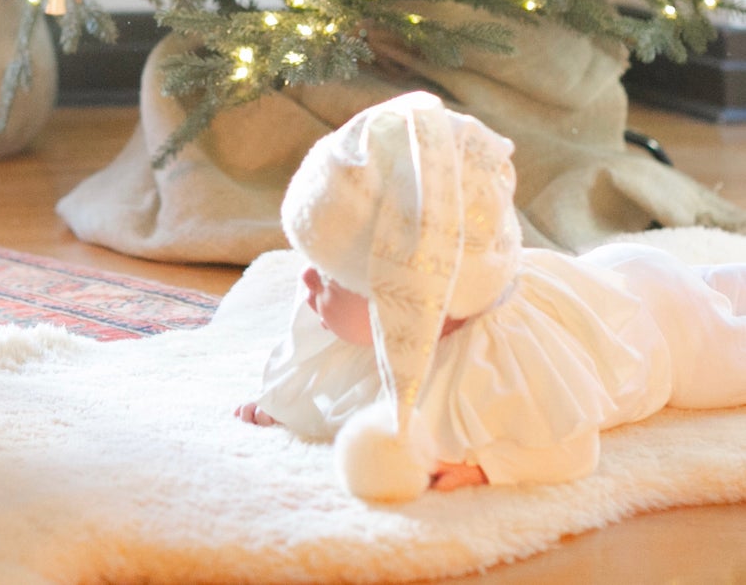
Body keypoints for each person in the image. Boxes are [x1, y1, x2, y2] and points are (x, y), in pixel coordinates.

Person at [234, 92, 746, 501]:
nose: (306, 284)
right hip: (618, 276)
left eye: (329, 278)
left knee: (726, 347)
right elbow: (316, 377)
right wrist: (280, 403)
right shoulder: (358, 319)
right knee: (704, 284)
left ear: (411, 303)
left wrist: (485, 468)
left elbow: (569, 449)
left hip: (666, 335)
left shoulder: (503, 356)